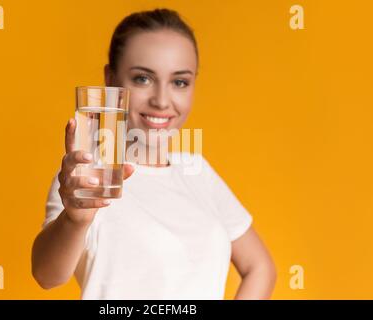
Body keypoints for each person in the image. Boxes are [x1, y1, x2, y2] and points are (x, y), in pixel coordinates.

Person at [31, 8, 276, 300]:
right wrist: (75, 220)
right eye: (143, 79)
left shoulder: (196, 169)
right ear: (110, 81)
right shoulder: (88, 176)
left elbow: (260, 267)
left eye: (179, 82)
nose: (161, 101)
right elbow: (47, 275)